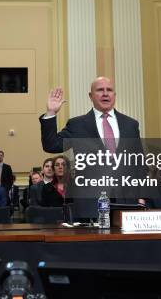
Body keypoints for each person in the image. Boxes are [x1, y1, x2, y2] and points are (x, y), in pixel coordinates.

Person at [39, 77, 147, 218]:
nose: (105, 93)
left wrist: (142, 196)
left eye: (109, 90)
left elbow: (139, 163)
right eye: (100, 90)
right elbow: (51, 145)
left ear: (114, 95)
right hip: (90, 203)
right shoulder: (77, 125)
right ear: (90, 96)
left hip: (127, 201)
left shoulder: (131, 125)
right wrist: (51, 113)